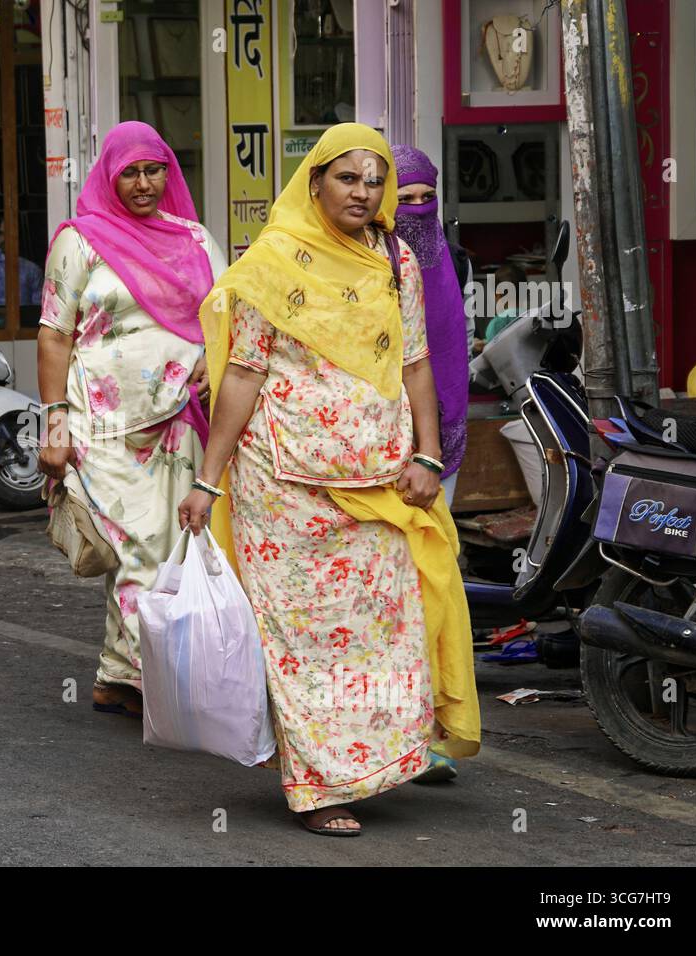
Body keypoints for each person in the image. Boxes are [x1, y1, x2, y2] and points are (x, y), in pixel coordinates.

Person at [178, 124, 480, 835]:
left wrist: (429, 457)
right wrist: (209, 480)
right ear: (313, 182)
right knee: (301, 639)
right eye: (347, 178)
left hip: (379, 479)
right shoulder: (272, 263)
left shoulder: (394, 258)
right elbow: (244, 375)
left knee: (382, 628)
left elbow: (413, 363)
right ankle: (314, 788)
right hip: (283, 488)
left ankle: (372, 762)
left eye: (373, 180)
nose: (363, 192)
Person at [37, 121, 226, 716]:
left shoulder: (194, 238)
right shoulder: (80, 241)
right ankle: (155, 680)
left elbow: (225, 316)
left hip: (176, 419)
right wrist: (54, 426)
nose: (144, 184)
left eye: (154, 170)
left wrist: (211, 361)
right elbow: (53, 334)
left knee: (168, 547)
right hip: (100, 422)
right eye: (130, 173)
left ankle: (121, 675)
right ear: (109, 176)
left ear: (170, 171)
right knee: (136, 546)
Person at [391, 145, 469, 508]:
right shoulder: (369, 261)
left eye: (428, 197)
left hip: (444, 418)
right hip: (381, 425)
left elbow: (460, 335)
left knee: (438, 543)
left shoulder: (455, 259)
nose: (419, 207)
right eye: (406, 198)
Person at [481, 263, 527, 345]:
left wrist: (484, 346)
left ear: (497, 295)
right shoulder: (533, 319)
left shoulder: (497, 324)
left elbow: (491, 353)